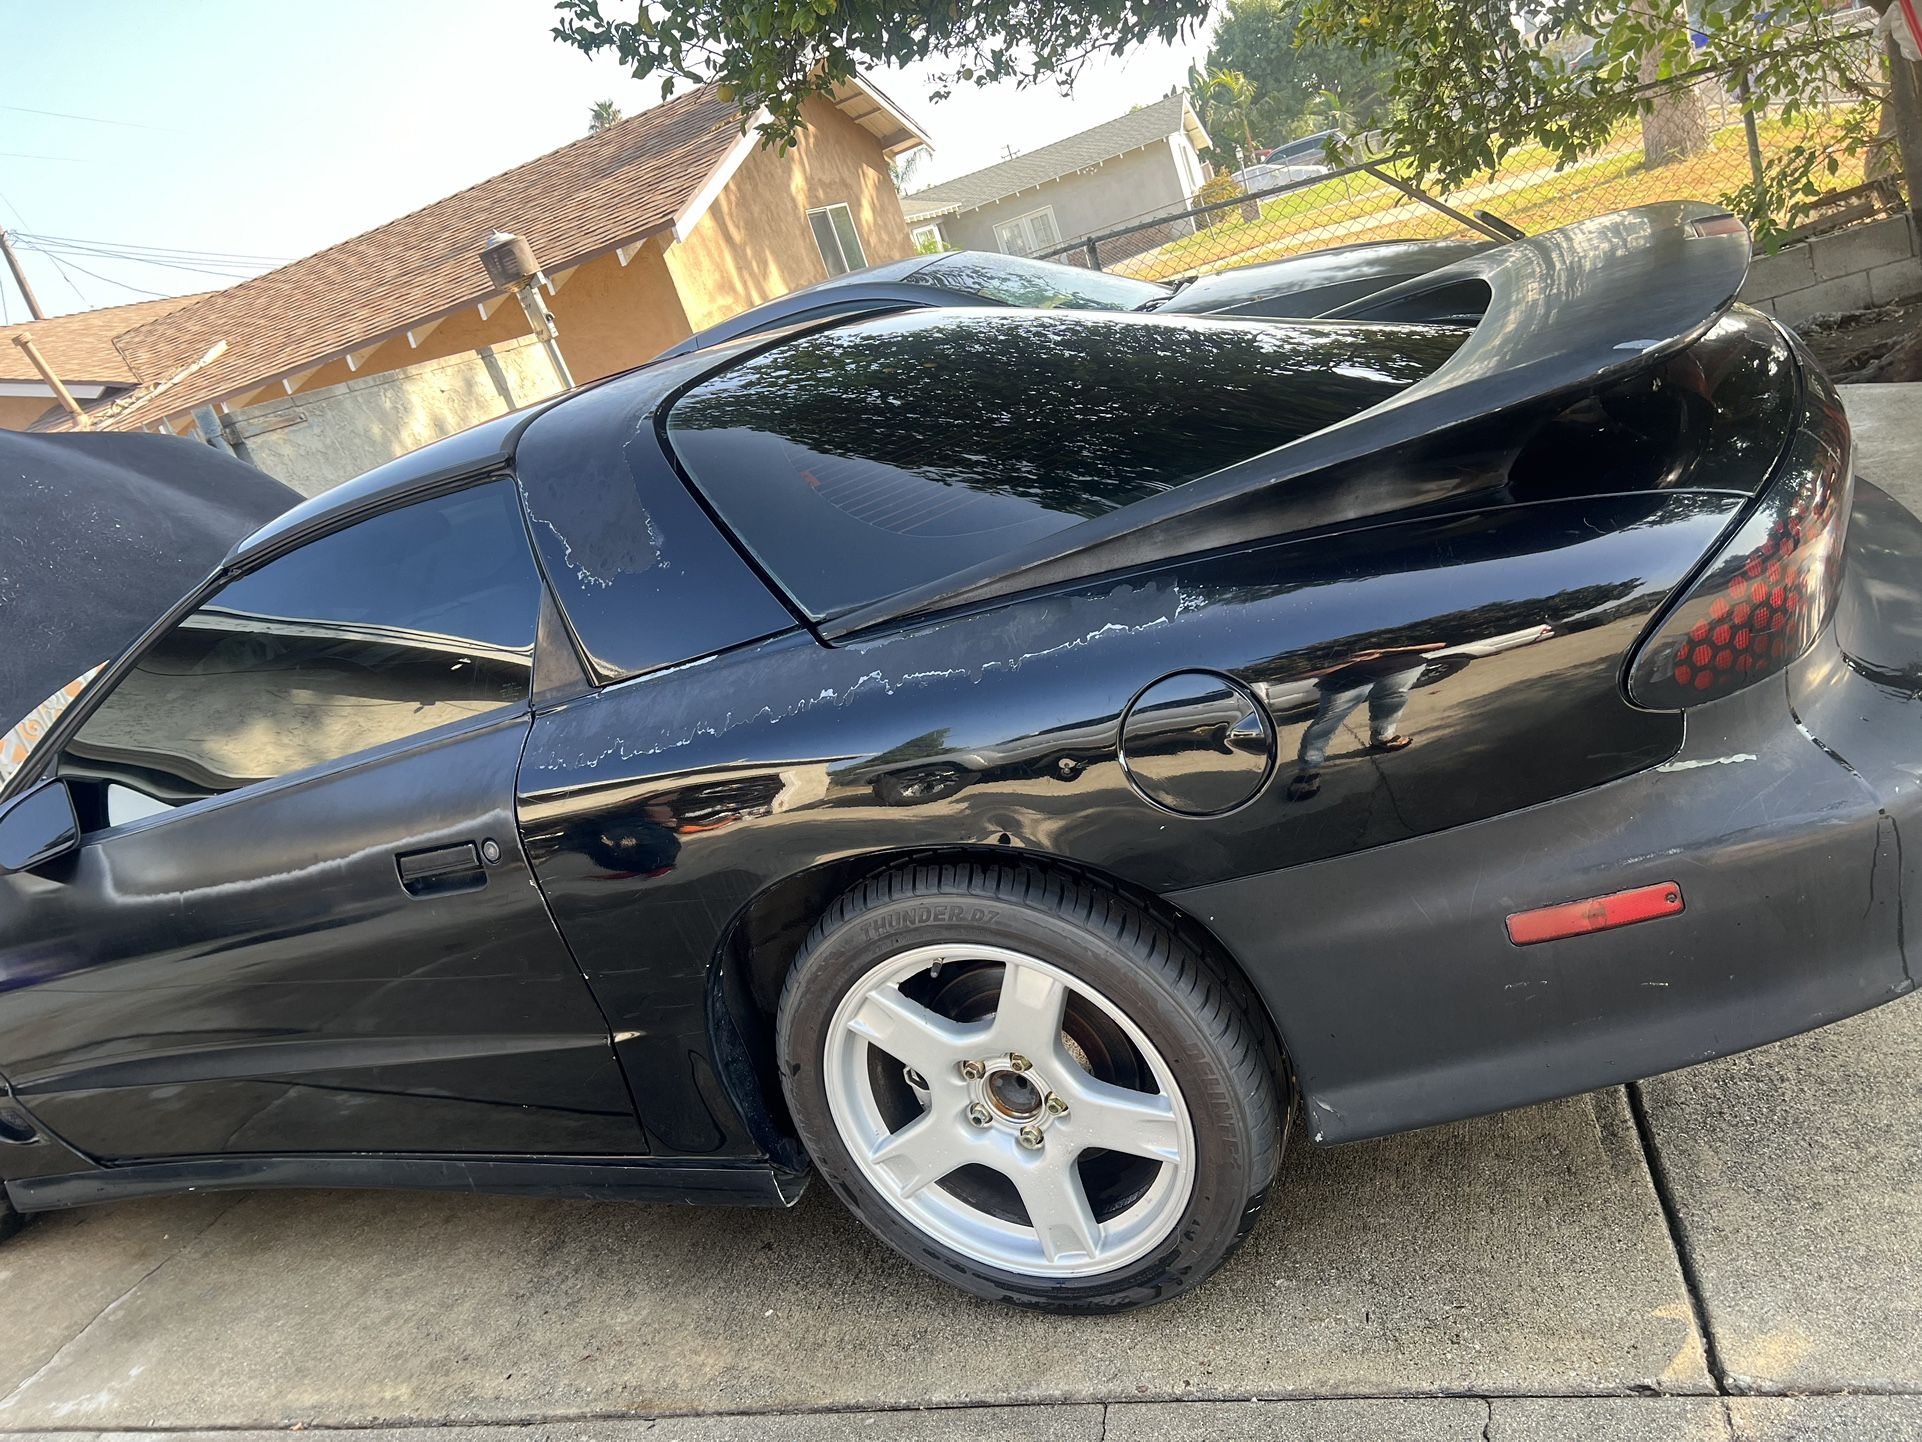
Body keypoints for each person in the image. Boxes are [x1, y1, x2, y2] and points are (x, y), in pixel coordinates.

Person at [1286, 643, 1446, 801]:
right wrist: (1342, 662)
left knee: (1393, 700)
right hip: (1345, 675)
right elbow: (1302, 664)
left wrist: (1384, 651)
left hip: (1405, 665)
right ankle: (1308, 769)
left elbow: (1438, 642)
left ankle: (1383, 738)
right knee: (1328, 721)